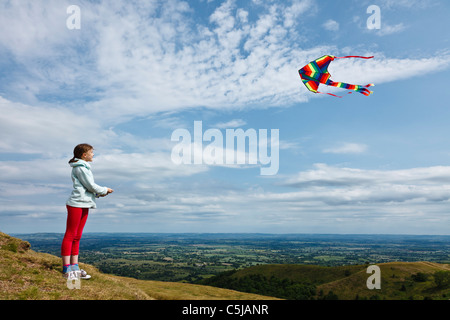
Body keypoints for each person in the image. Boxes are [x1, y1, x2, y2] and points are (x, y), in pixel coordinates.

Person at [61, 143, 113, 280]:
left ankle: (74, 267)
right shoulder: (80, 168)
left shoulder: (83, 167)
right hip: (76, 204)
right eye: (91, 152)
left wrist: (98, 194)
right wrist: (104, 190)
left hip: (83, 203)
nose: (93, 154)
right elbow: (90, 185)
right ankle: (67, 269)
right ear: (84, 155)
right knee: (71, 234)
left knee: (77, 236)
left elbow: (86, 188)